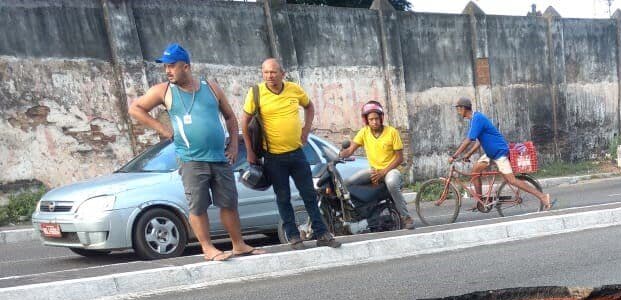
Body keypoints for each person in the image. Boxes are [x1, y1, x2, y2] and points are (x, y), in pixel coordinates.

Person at [127, 43, 263, 262]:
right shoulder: (163, 91)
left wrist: (234, 146)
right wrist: (162, 129)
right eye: (165, 67)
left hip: (219, 157)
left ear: (186, 67)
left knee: (229, 202)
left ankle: (238, 244)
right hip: (191, 159)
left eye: (172, 66)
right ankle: (207, 248)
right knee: (198, 204)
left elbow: (229, 116)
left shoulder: (210, 87)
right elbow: (135, 108)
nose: (168, 71)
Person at [241, 58, 340, 249]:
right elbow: (244, 122)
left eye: (273, 72)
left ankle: (322, 234)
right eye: (266, 72)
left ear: (282, 73)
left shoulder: (294, 89)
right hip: (273, 157)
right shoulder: (256, 93)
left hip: (297, 153)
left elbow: (309, 106)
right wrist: (250, 152)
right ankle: (293, 236)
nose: (269, 76)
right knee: (283, 197)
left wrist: (306, 130)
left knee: (309, 194)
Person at [449, 97, 551, 211]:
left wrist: (454, 156)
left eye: (458, 109)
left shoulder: (477, 119)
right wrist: (468, 154)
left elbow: (469, 140)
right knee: (475, 172)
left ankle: (542, 196)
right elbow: (478, 141)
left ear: (464, 108)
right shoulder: (474, 119)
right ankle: (481, 202)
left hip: (499, 152)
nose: (458, 111)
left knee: (512, 180)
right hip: (490, 153)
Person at [338, 101, 414, 230]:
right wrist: (340, 154)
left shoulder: (392, 132)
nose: (374, 122)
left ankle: (406, 217)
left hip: (391, 170)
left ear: (381, 118)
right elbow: (350, 150)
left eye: (376, 119)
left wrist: (383, 172)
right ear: (366, 120)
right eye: (371, 119)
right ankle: (363, 212)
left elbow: (399, 158)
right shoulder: (364, 132)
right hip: (373, 171)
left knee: (392, 184)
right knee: (347, 183)